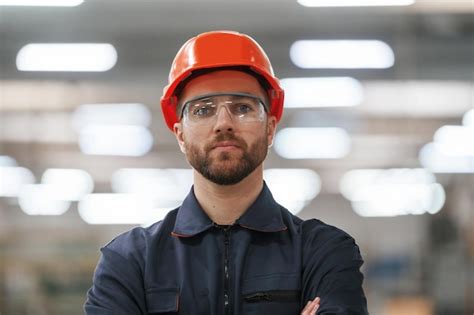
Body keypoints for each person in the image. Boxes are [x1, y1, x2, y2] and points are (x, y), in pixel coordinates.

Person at [84, 30, 368, 315]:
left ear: (270, 128)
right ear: (180, 135)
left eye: (243, 107)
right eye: (203, 110)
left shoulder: (323, 252)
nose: (223, 123)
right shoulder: (130, 261)